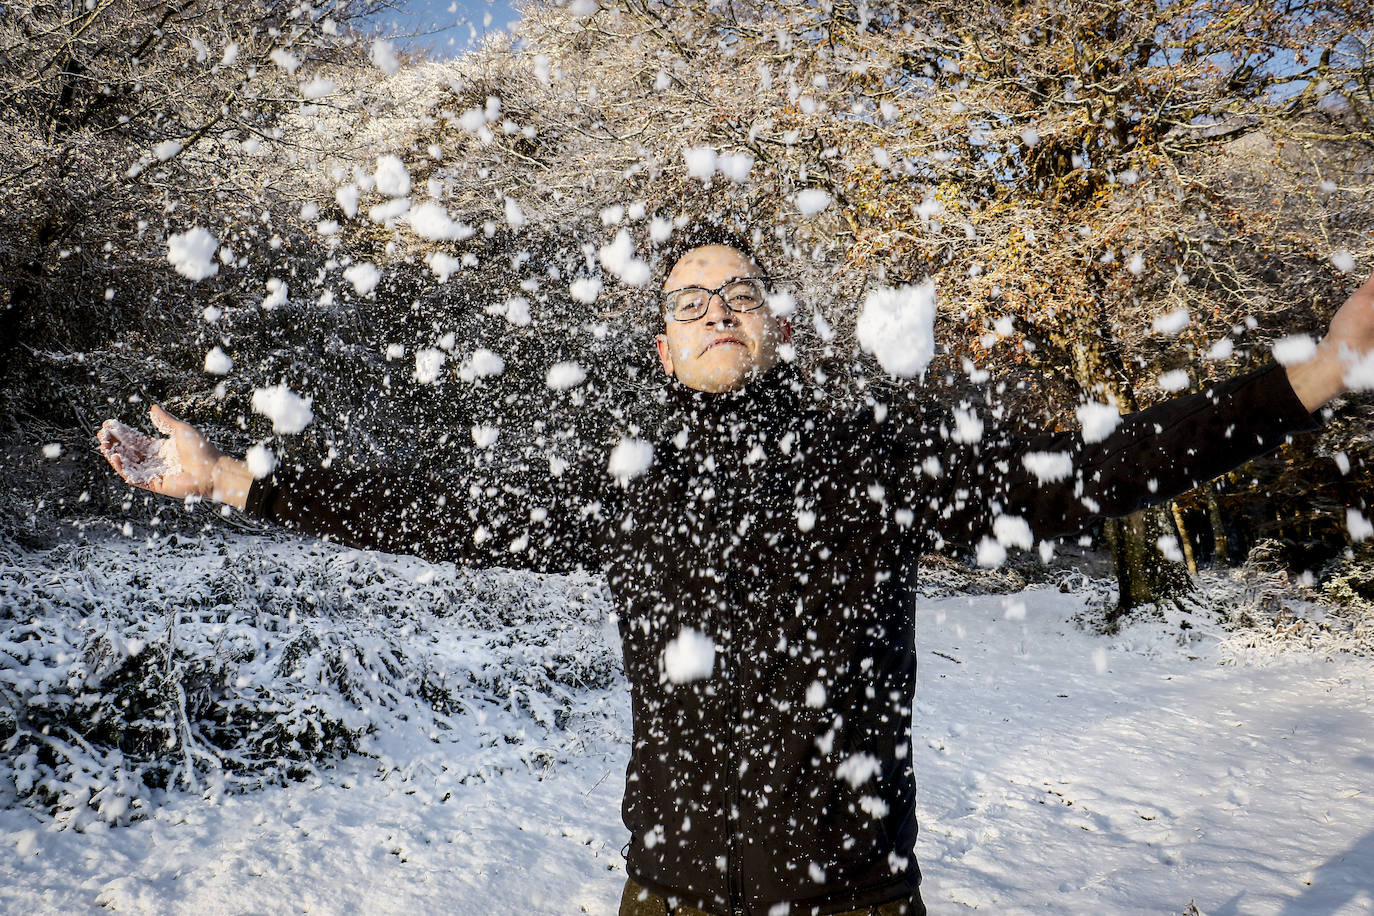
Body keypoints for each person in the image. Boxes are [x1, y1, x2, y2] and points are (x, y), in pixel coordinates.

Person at [99, 230, 1374, 916]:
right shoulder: (626, 477)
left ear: (771, 324)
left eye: (742, 291)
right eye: (693, 295)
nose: (719, 306)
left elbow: (1087, 469)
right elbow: (442, 507)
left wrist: (1310, 378)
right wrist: (233, 480)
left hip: (857, 889)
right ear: (662, 343)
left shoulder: (872, 454)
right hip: (675, 889)